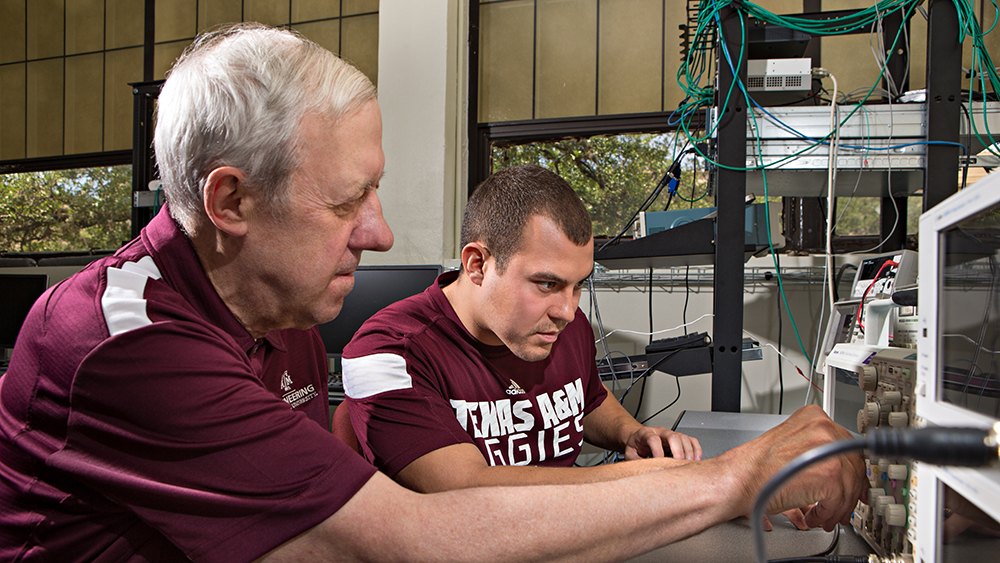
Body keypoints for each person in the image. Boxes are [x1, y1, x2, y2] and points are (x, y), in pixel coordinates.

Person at [0, 23, 866, 563]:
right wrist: (733, 477)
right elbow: (406, 536)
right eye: (345, 203)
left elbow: (313, 514)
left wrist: (643, 440)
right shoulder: (127, 342)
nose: (378, 233)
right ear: (231, 202)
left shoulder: (286, 307)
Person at [341, 165, 706, 495]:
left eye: (578, 285)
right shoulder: (387, 351)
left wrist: (631, 433)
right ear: (477, 264)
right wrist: (649, 481)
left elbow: (587, 400)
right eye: (547, 284)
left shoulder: (564, 325)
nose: (567, 310)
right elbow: (463, 488)